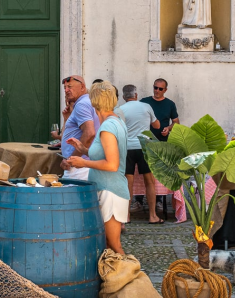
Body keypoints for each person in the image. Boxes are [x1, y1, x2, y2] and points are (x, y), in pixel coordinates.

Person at [61, 81, 129, 254]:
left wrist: (83, 162)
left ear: (94, 101)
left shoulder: (107, 127)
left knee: (113, 244)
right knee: (107, 244)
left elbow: (112, 164)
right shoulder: (116, 121)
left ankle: (131, 278)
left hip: (110, 191)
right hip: (108, 189)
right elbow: (105, 155)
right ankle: (115, 278)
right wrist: (83, 149)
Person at [114, 84, 163, 223]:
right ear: (136, 95)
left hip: (127, 148)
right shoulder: (146, 106)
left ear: (124, 97)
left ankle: (126, 216)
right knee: (149, 182)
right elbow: (157, 126)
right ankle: (153, 215)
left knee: (128, 183)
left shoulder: (120, 110)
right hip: (144, 146)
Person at [61, 76, 97, 179]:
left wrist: (71, 159)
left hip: (79, 169)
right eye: (65, 87)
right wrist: (66, 119)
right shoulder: (89, 102)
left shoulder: (82, 105)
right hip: (85, 165)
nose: (66, 90)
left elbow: (89, 133)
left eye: (70, 87)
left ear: (82, 87)